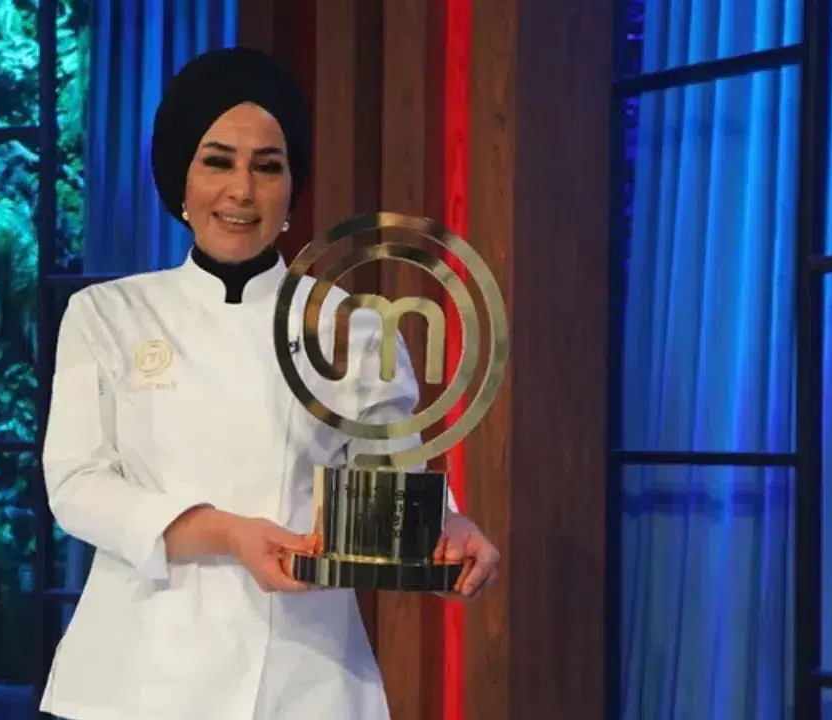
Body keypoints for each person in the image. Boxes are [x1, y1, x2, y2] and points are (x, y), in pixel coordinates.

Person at [38, 47, 500, 720]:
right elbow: (78, 487)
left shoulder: (353, 327)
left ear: (291, 187)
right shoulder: (107, 314)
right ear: (180, 179)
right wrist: (226, 533)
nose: (242, 191)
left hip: (304, 675)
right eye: (217, 162)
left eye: (268, 165)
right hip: (137, 675)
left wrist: (444, 531)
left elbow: (390, 481)